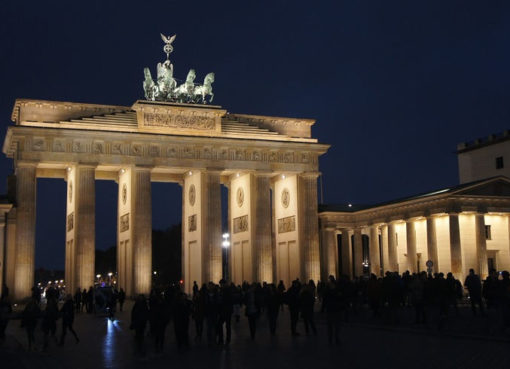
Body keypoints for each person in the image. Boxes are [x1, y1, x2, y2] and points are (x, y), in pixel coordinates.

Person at [217, 279, 233, 344]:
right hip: (224, 310)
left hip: (227, 310)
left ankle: (225, 339)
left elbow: (228, 300)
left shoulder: (227, 290)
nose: (221, 285)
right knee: (224, 325)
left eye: (221, 284)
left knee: (226, 325)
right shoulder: (222, 290)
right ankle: (224, 339)